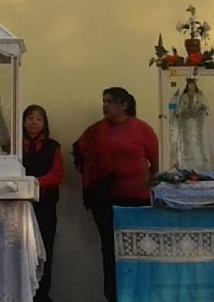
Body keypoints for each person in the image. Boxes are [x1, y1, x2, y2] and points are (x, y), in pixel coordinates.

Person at [74, 87, 159, 302]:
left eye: (110, 101)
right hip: (104, 201)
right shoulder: (95, 131)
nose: (105, 106)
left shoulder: (141, 129)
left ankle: (139, 295)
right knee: (110, 249)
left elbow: (157, 163)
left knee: (138, 248)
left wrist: (147, 184)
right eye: (103, 101)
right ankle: (113, 296)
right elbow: (84, 159)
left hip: (137, 200)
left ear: (124, 105)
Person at [22, 105, 63, 302]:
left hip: (45, 206)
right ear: (23, 122)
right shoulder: (13, 146)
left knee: (44, 250)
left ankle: (42, 294)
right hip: (18, 207)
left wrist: (32, 183)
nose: (34, 122)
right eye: (30, 118)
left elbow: (57, 175)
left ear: (44, 123)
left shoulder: (53, 146)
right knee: (19, 250)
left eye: (39, 119)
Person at [171, 78, 213, 170]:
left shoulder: (199, 96)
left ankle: (198, 165)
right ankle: (185, 165)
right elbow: (180, 108)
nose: (191, 88)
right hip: (185, 123)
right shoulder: (183, 96)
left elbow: (204, 107)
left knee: (196, 143)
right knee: (186, 144)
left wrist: (203, 109)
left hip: (196, 123)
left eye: (193, 85)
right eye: (189, 85)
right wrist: (179, 112)